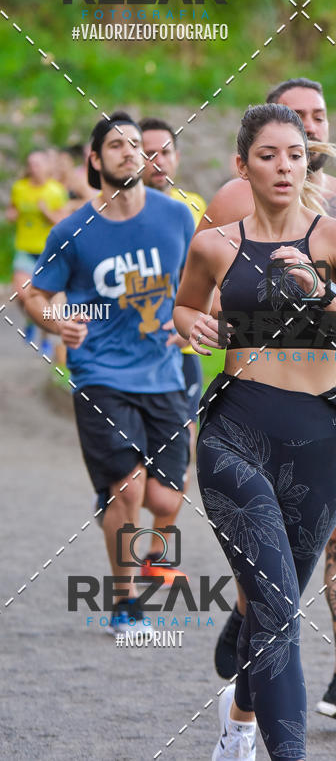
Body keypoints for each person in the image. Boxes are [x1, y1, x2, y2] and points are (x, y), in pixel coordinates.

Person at [173, 103, 336, 761]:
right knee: (273, 607)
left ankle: (239, 722)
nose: (283, 167)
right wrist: (192, 324)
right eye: (267, 155)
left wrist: (323, 294)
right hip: (235, 433)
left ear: (308, 162)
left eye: (295, 155)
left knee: (275, 610)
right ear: (242, 166)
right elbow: (184, 305)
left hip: (318, 441)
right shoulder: (215, 243)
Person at [24, 112, 195, 635]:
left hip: (164, 374)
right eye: (116, 145)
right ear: (95, 160)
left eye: (136, 144)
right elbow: (35, 294)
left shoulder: (176, 216)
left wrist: (192, 322)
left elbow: (203, 279)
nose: (129, 152)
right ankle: (125, 604)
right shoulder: (72, 230)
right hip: (99, 373)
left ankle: (124, 516)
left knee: (165, 499)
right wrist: (56, 322)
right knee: (129, 491)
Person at [140, 117, 208, 579]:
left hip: (178, 356)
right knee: (128, 466)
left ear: (177, 158)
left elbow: (209, 275)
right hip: (126, 357)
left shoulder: (195, 207)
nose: (157, 161)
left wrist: (191, 325)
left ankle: (156, 556)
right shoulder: (115, 211)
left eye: (164, 152)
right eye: (147, 153)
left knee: (180, 455)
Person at [7, 149, 68, 354]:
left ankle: (45, 336)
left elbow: (63, 222)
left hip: (48, 253)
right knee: (22, 293)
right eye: (31, 164)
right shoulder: (19, 187)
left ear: (46, 166)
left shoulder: (55, 191)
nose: (34, 168)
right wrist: (12, 214)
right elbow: (13, 209)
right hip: (25, 248)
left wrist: (46, 211)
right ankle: (31, 321)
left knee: (47, 299)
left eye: (38, 164)